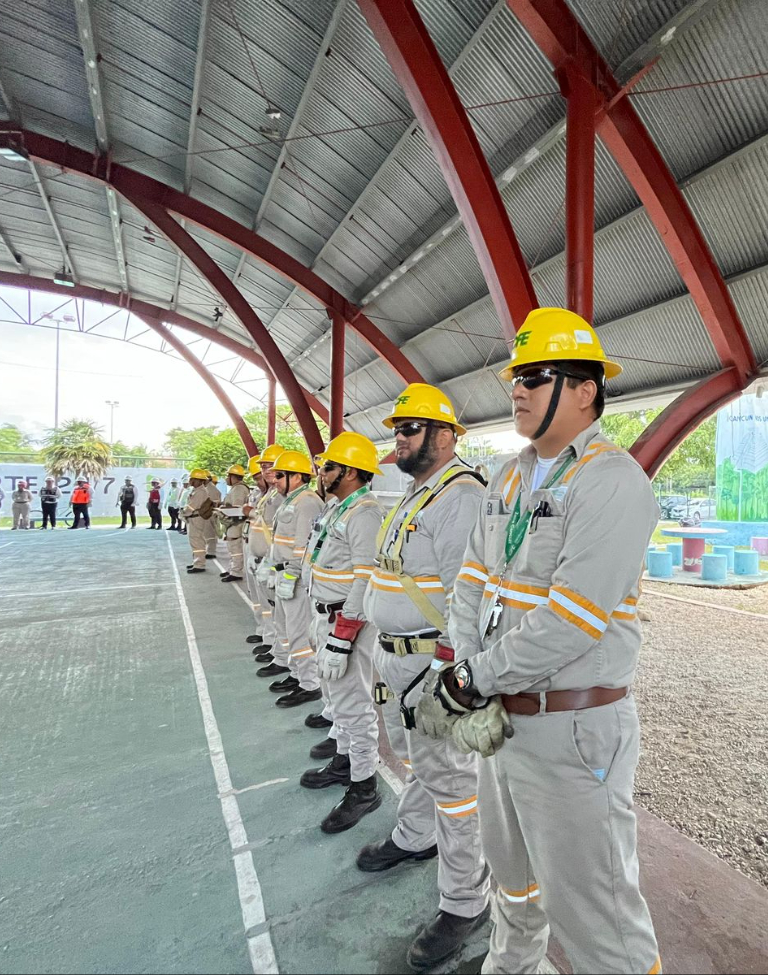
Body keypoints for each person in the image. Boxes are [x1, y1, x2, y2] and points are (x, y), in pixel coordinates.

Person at [429, 309, 663, 975]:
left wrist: (474, 678)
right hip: (500, 720)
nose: (518, 389)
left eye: (534, 375)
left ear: (585, 388)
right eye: (515, 378)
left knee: (598, 914)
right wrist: (472, 669)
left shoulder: (612, 481)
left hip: (572, 727)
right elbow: (470, 582)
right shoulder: (506, 476)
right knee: (515, 884)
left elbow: (571, 619)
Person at [359, 382, 491, 971]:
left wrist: (445, 674)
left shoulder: (460, 496)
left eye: (410, 430)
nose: (400, 440)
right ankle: (415, 835)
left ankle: (466, 900)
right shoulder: (420, 493)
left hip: (431, 665)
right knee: (421, 763)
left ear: (445, 435)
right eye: (398, 431)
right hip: (399, 659)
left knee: (455, 784)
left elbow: (469, 598)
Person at [299, 432, 384, 835]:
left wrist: (344, 634)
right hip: (326, 619)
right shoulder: (338, 508)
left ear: (350, 472)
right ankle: (346, 760)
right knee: (335, 696)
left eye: (328, 466)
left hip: (345, 624)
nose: (322, 472)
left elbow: (365, 576)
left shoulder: (364, 512)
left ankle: (364, 785)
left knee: (354, 704)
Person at [265, 449, 325, 708]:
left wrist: (292, 575)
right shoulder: (291, 500)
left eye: (279, 475)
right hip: (284, 575)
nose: (274, 479)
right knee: (287, 629)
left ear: (297, 477)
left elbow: (305, 547)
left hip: (296, 580)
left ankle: (310, 683)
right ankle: (297, 673)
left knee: (300, 633)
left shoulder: (308, 502)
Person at [248, 446, 289, 676]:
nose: (265, 471)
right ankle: (273, 644)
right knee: (268, 607)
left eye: (268, 466)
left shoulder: (286, 498)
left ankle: (283, 656)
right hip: (263, 558)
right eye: (263, 467)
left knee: (282, 615)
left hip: (275, 562)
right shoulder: (271, 495)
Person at [181, 469, 220, 571]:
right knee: (195, 541)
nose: (190, 480)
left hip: (196, 518)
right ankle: (197, 562)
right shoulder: (197, 490)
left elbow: (191, 507)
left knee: (197, 541)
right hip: (194, 518)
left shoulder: (200, 492)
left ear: (198, 480)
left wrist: (182, 512)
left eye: (192, 479)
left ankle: (199, 564)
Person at [220, 465, 251, 582]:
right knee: (232, 547)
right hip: (233, 522)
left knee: (235, 546)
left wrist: (224, 508)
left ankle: (236, 571)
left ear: (233, 476)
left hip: (236, 522)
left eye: (228, 476)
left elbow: (237, 507)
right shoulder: (236, 488)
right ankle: (232, 568)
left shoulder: (239, 489)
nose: (227, 478)